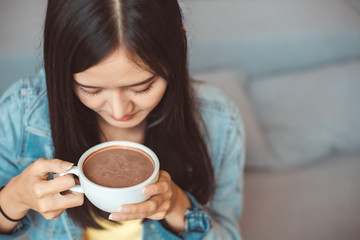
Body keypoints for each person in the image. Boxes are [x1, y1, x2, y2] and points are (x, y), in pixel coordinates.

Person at [0, 0, 245, 239]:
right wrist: (14, 199)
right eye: (91, 90)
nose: (119, 111)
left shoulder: (219, 120)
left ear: (179, 44)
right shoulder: (19, 115)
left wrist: (176, 204)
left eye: (142, 88)